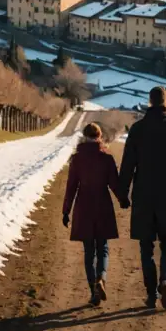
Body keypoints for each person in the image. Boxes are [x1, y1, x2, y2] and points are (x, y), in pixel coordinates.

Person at [118, 86, 166, 310]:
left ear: (149, 102)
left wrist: (123, 193)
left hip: (143, 194)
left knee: (146, 246)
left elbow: (127, 165)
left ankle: (151, 294)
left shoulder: (137, 129)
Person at [62, 122, 121, 306]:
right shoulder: (107, 158)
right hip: (102, 204)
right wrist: (124, 200)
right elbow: (114, 184)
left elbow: (71, 187)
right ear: (100, 136)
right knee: (102, 247)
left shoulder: (77, 159)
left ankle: (93, 291)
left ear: (84, 136)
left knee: (89, 251)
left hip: (84, 206)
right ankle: (101, 278)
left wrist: (66, 211)